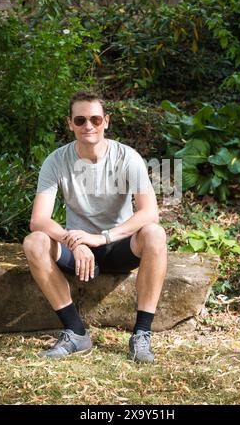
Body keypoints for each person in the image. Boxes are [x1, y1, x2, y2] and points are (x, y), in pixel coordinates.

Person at [23, 91, 167, 363]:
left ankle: (141, 335)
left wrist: (102, 238)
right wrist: (76, 242)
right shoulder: (56, 160)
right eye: (80, 120)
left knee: (155, 235)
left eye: (95, 119)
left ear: (106, 121)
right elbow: (38, 219)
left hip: (119, 245)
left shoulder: (128, 157)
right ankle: (75, 333)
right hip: (77, 248)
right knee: (35, 241)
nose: (88, 125)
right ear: (70, 124)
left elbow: (150, 213)